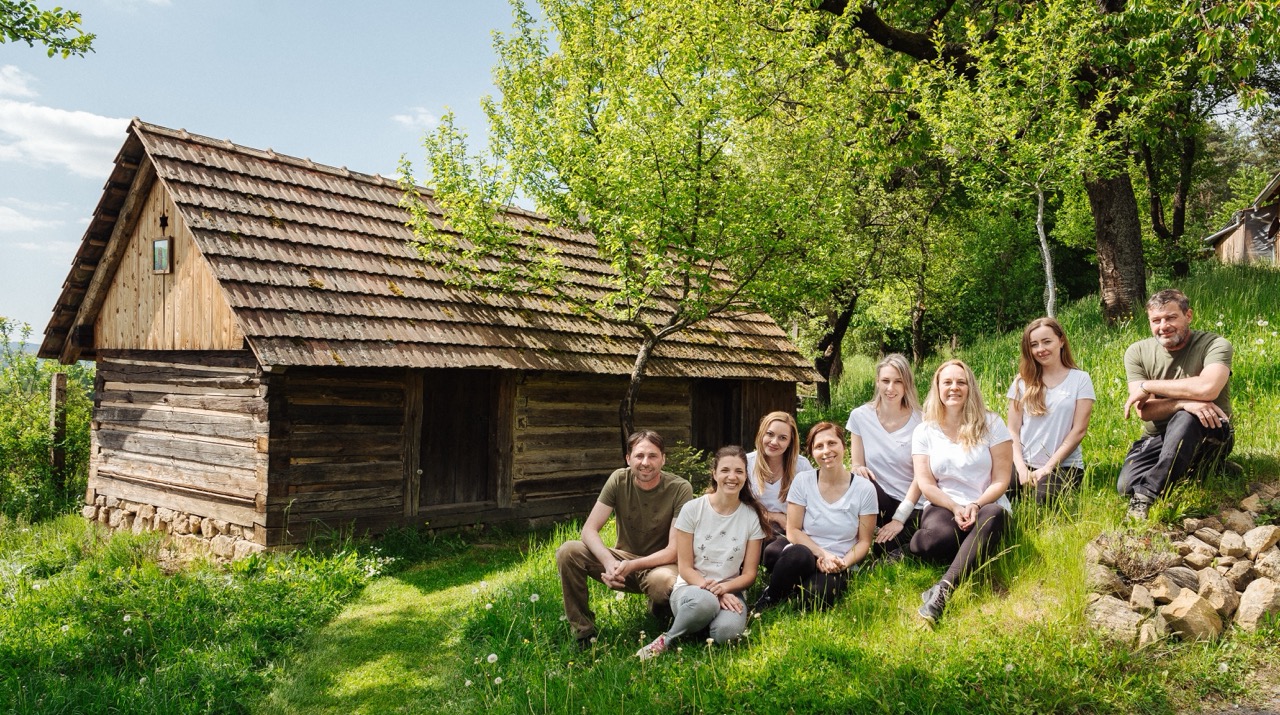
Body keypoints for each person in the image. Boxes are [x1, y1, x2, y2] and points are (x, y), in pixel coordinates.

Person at [555, 431, 694, 649]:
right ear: (628, 459)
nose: (645, 463)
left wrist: (632, 566)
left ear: (663, 459)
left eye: (653, 456)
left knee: (663, 584)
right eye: (639, 456)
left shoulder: (680, 488)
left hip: (662, 565)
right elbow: (589, 530)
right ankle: (584, 633)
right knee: (568, 551)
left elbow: (673, 550)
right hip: (622, 561)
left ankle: (661, 612)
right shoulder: (619, 479)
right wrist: (610, 563)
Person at [636, 446, 768, 659]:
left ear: (745, 476)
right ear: (714, 474)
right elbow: (685, 568)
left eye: (739, 471)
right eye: (725, 470)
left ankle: (700, 623)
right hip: (692, 588)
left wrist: (724, 588)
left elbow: (749, 575)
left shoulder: (751, 516)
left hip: (731, 589)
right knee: (705, 602)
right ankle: (667, 640)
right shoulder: (692, 509)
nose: (732, 477)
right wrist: (717, 592)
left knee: (727, 633)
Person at [909, 359, 1013, 624]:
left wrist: (976, 504)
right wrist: (955, 507)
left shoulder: (992, 423)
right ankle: (969, 550)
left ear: (970, 387)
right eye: (947, 382)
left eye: (961, 382)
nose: (954, 388)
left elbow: (1002, 479)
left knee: (993, 517)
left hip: (987, 503)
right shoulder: (925, 431)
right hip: (943, 505)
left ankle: (943, 591)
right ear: (937, 387)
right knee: (932, 542)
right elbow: (927, 484)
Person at [1119, 289, 1234, 521]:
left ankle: (1146, 495)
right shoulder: (1137, 352)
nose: (1164, 326)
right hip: (1157, 436)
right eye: (1156, 320)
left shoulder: (1216, 344)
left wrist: (1149, 387)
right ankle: (1204, 468)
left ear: (1188, 316)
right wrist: (1184, 402)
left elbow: (1208, 389)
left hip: (1209, 429)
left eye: (1171, 317)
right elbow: (1145, 411)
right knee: (1125, 486)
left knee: (1187, 418)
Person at [753, 422, 878, 611]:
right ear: (812, 453)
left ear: (843, 446)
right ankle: (770, 597)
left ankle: (797, 585)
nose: (826, 451)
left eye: (832, 443)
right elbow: (793, 530)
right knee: (798, 555)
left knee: (816, 597)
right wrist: (822, 554)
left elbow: (864, 541)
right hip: (807, 551)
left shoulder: (865, 489)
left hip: (838, 560)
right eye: (819, 446)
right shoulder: (803, 481)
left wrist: (841, 563)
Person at [1006, 318, 1095, 504]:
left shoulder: (1080, 379)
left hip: (1063, 466)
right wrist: (1021, 468)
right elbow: (1012, 430)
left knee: (1042, 500)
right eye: (1034, 345)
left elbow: (1079, 430)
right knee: (1003, 494)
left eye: (1047, 341)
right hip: (1023, 461)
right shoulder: (1021, 382)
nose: (1041, 349)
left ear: (1061, 341)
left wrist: (1048, 467)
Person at [846, 353, 924, 555]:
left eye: (898, 382)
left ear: (907, 384)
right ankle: (857, 535)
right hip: (879, 499)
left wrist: (900, 516)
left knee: (884, 548)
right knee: (857, 478)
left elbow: (921, 477)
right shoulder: (860, 416)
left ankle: (907, 539)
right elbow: (856, 464)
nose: (891, 388)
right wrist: (857, 468)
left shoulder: (922, 420)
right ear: (877, 382)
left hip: (912, 502)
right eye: (885, 381)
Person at [746, 411, 812, 566]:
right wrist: (774, 516)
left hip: (786, 531)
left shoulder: (801, 467)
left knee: (775, 553)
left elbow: (813, 505)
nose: (774, 442)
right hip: (751, 527)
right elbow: (736, 505)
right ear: (761, 434)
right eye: (770, 434)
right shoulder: (746, 463)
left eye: (783, 438)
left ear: (790, 442)